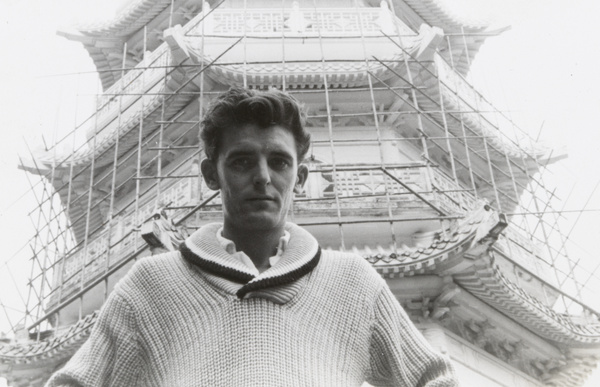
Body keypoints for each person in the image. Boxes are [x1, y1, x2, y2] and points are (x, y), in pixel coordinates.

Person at [46, 87, 459, 386]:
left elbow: (434, 377)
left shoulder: (353, 282)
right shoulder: (150, 287)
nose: (263, 177)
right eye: (242, 161)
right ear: (212, 174)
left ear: (300, 177)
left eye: (279, 162)